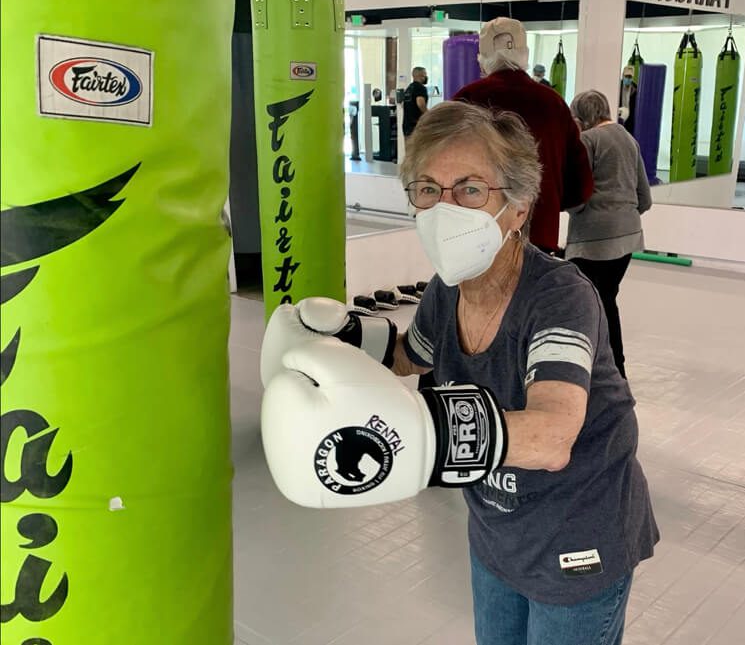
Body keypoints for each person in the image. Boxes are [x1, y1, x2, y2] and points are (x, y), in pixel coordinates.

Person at [260, 100, 659, 645]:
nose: (443, 208)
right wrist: (344, 338)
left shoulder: (561, 297)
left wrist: (418, 435)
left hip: (577, 533)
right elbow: (412, 355)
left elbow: (551, 436)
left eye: (470, 189)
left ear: (518, 208)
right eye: (428, 189)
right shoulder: (446, 289)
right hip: (499, 529)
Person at [453, 17, 593, 255]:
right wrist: (547, 203)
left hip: (478, 237)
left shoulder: (465, 101)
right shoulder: (554, 103)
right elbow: (580, 187)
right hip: (539, 237)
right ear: (524, 54)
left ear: (482, 58)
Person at [567, 90, 652, 379]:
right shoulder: (629, 139)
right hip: (628, 236)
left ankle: (605, 371)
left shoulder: (587, 141)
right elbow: (645, 198)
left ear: (579, 119)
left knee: (589, 304)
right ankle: (614, 369)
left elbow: (578, 195)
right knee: (606, 299)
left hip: (594, 239)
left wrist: (567, 207)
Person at [401, 66, 428, 138]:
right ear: (420, 76)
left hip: (407, 126)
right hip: (416, 126)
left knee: (409, 148)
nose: (426, 77)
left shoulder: (409, 88)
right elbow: (420, 103)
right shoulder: (420, 88)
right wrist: (428, 114)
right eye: (425, 74)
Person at [617, 65, 638, 135]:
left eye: (630, 77)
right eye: (626, 76)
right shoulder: (617, 86)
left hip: (630, 121)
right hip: (619, 117)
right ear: (623, 75)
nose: (628, 79)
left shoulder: (636, 89)